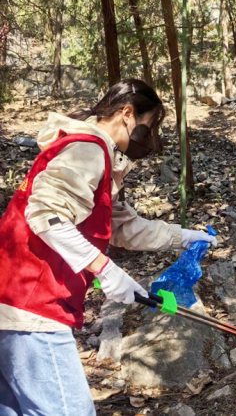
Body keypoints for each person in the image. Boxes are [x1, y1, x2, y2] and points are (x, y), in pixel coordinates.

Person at [0, 79, 217, 415]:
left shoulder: (90, 152)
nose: (149, 138)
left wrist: (184, 237)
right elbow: (46, 214)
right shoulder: (88, 150)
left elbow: (122, 227)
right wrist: (105, 270)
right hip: (31, 306)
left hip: (14, 305)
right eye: (148, 127)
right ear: (127, 114)